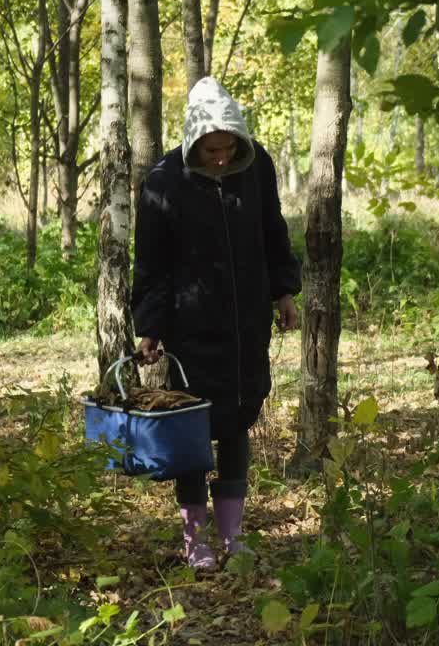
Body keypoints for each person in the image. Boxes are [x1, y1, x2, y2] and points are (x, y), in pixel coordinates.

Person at [131, 76, 301, 569]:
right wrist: (151, 325)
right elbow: (152, 261)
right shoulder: (164, 181)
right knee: (191, 431)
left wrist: (283, 293)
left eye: (228, 148)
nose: (222, 158)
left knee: (236, 423)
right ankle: (194, 541)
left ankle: (232, 536)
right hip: (190, 328)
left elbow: (273, 231)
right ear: (194, 144)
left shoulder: (258, 166)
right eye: (212, 150)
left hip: (245, 322)